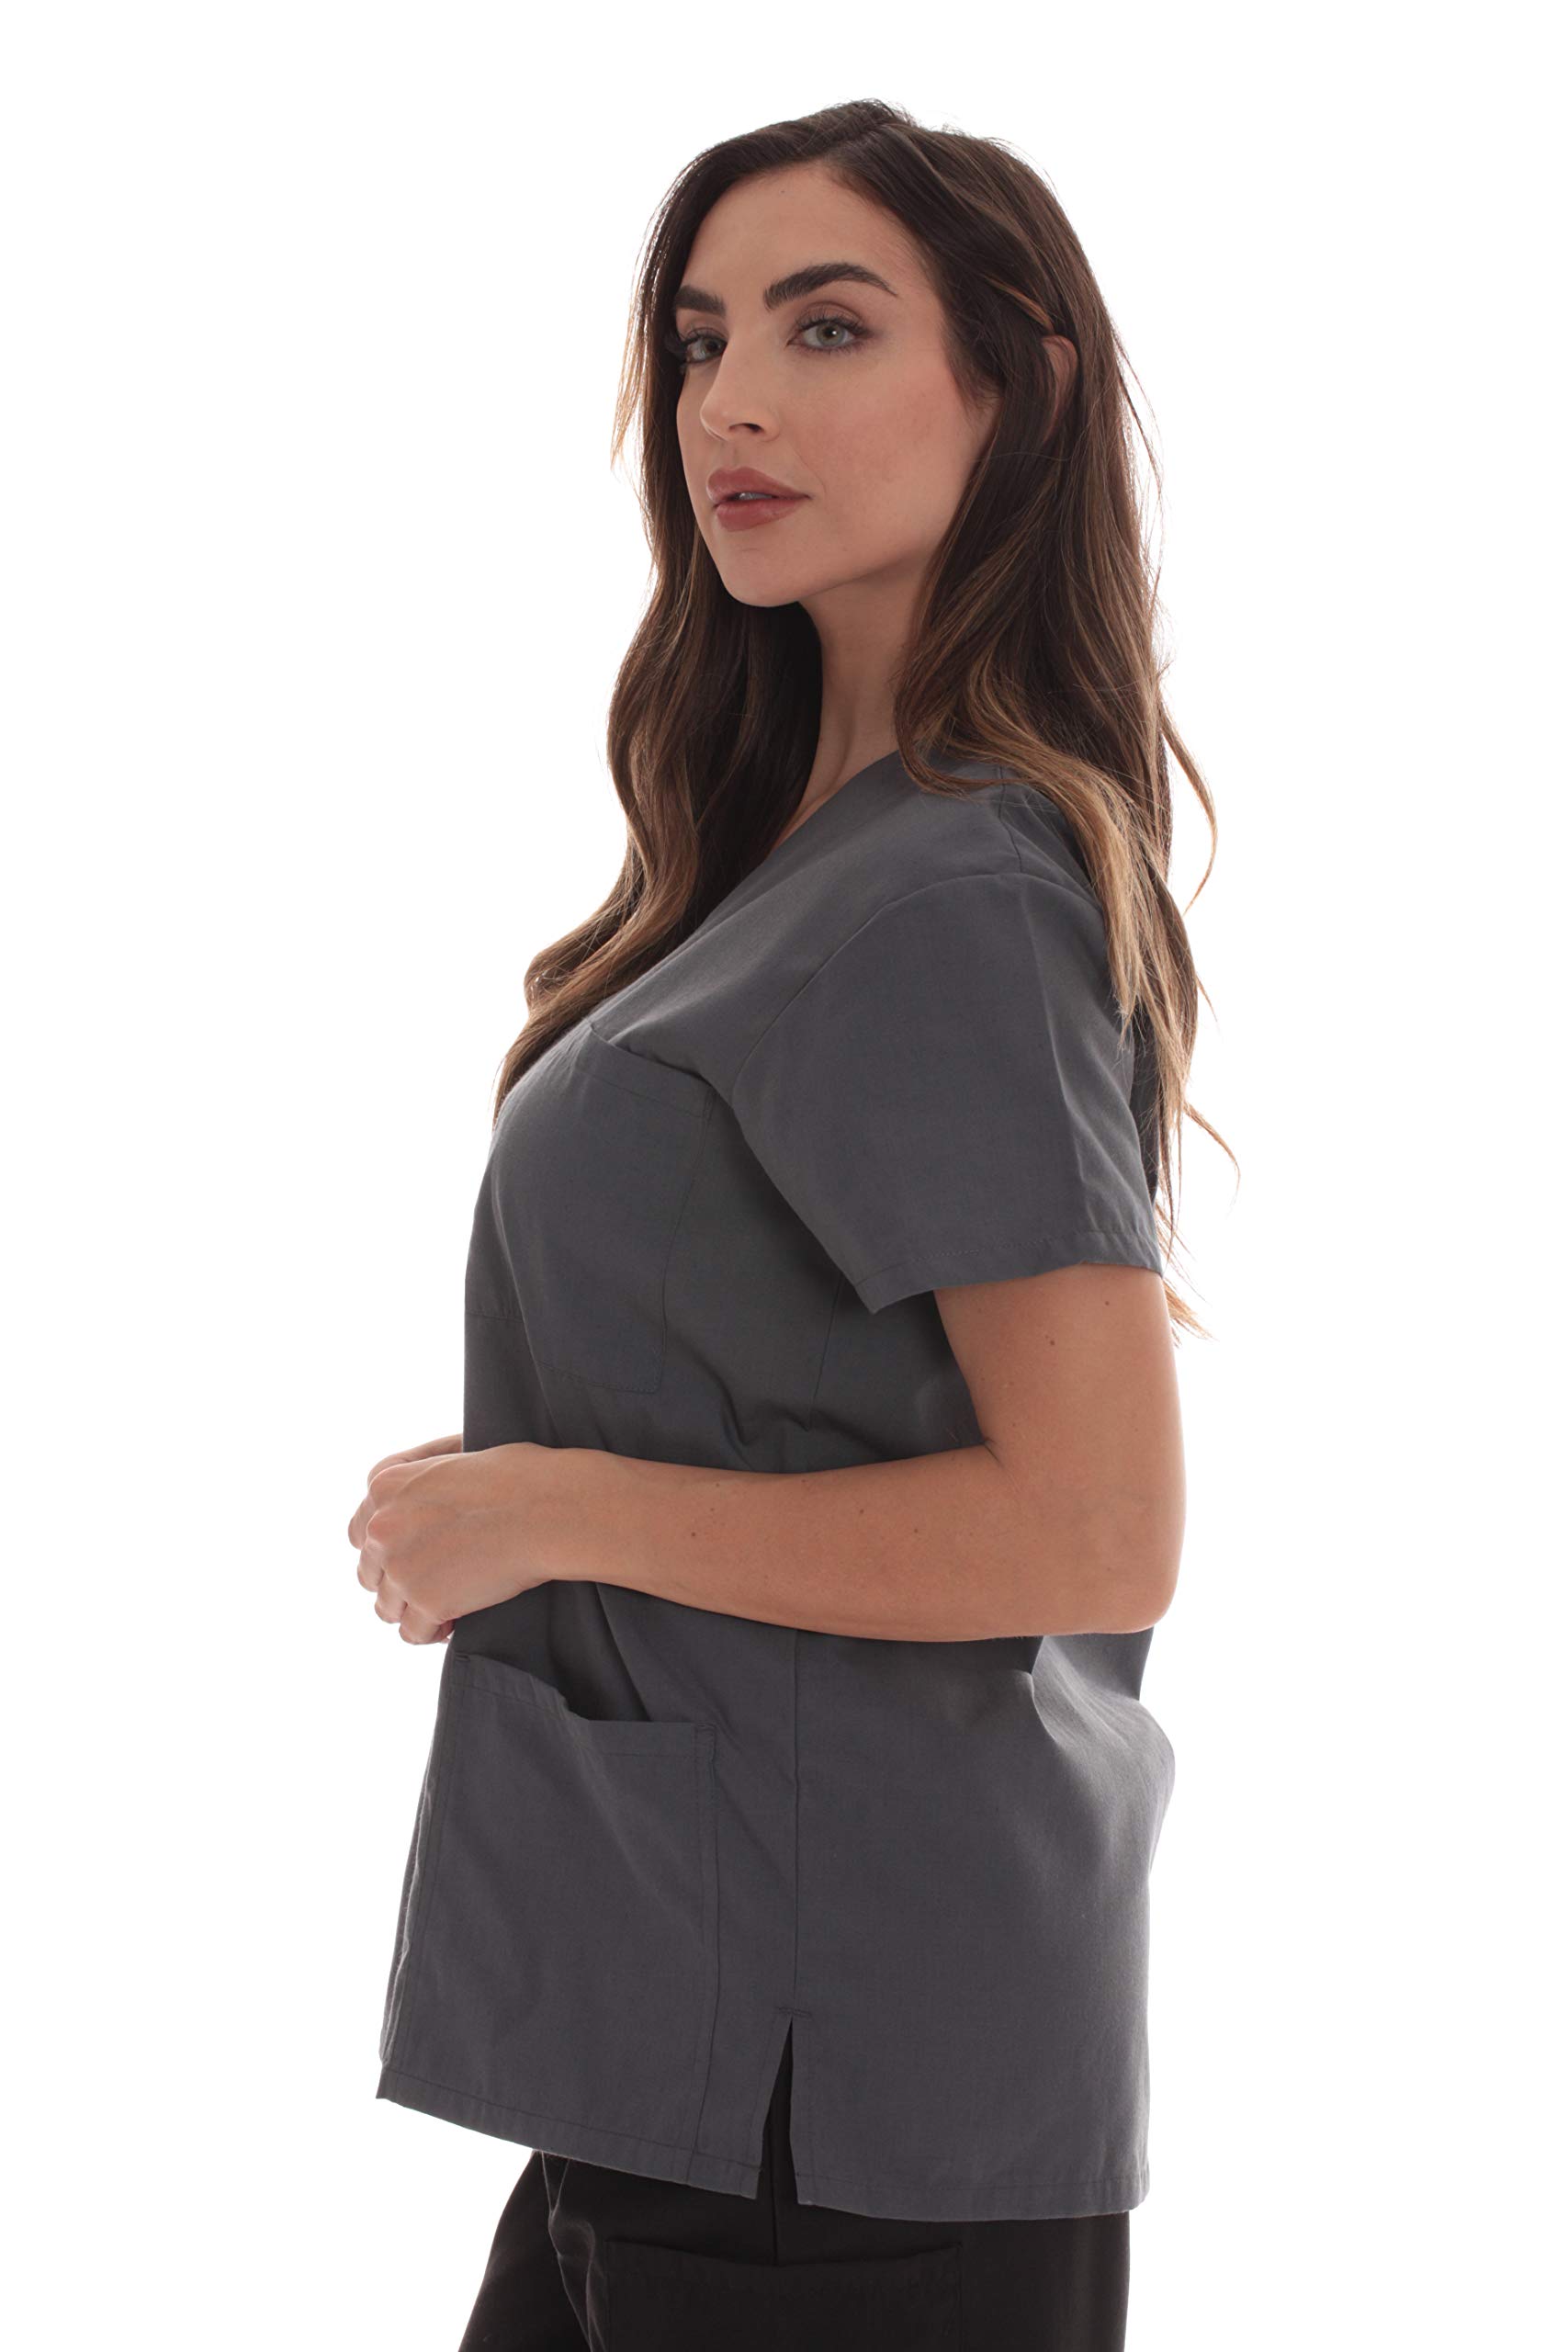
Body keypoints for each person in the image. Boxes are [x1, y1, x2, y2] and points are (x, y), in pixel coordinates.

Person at [350, 96, 1224, 2352]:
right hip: (693, 2045)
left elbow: (1096, 1522)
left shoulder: (953, 891)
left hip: (837, 2112)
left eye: (825, 328)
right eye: (698, 338)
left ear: (1014, 383)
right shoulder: (791, 864)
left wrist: (554, 1506)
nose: (729, 400)